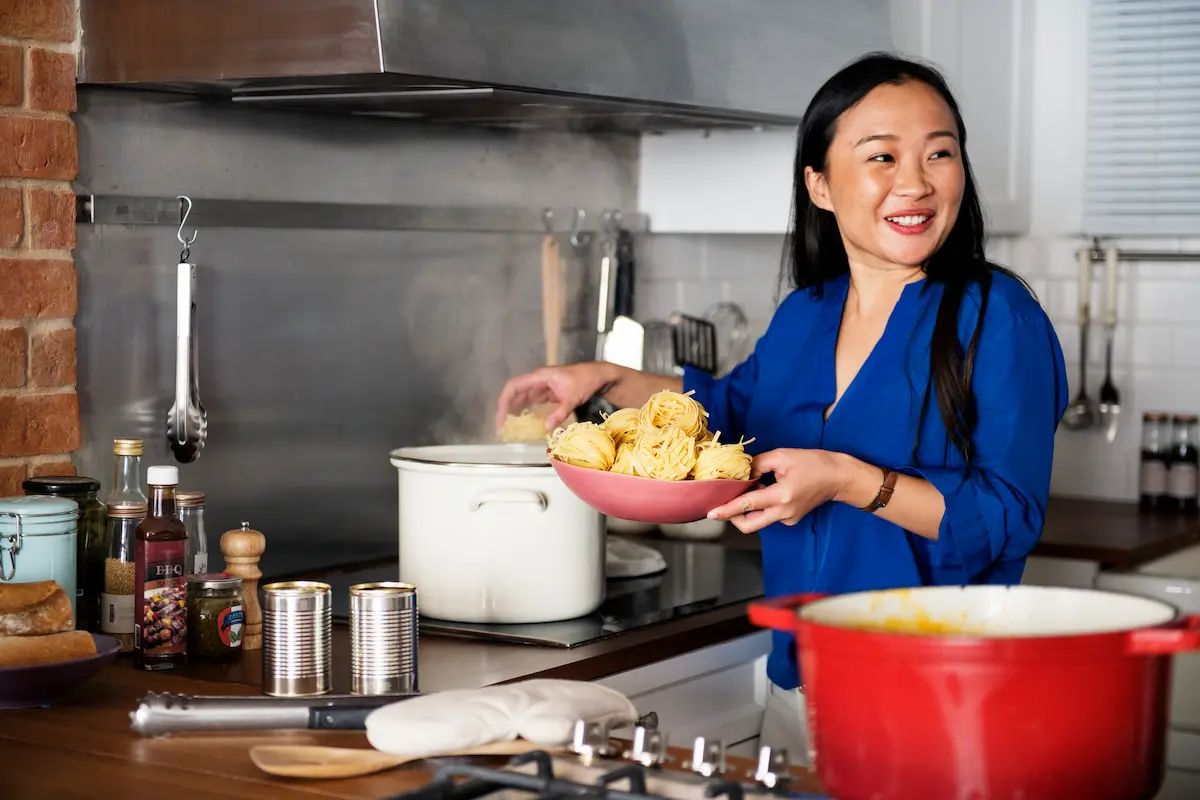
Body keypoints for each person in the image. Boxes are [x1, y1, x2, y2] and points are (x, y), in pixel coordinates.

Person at [494, 52, 1069, 760]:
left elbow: (1009, 516)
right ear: (821, 185)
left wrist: (847, 480)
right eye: (882, 157)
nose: (915, 182)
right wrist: (606, 379)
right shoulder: (806, 313)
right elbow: (732, 408)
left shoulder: (997, 317)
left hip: (939, 690)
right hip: (802, 679)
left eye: (939, 153)